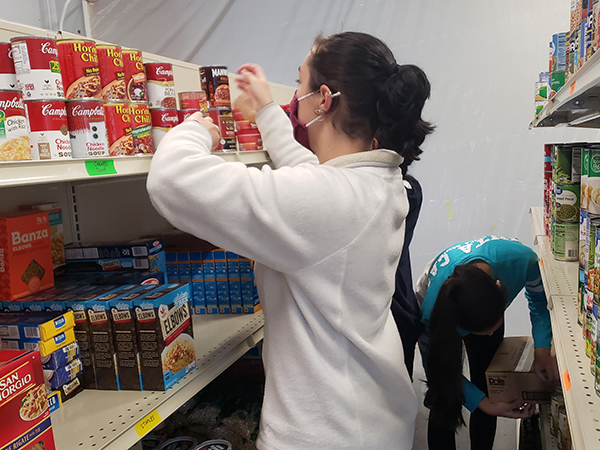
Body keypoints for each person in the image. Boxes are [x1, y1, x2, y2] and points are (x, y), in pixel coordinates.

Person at [147, 32, 433, 449]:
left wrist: (194, 130)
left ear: (323, 99)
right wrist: (265, 110)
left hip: (326, 433)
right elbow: (309, 175)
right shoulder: (379, 180)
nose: (292, 97)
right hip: (371, 415)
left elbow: (172, 181)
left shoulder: (330, 200)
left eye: (297, 83)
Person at [417, 235, 559, 450]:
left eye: (494, 326)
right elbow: (439, 371)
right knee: (443, 400)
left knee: (488, 384)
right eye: (481, 331)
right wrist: (483, 404)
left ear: (500, 287)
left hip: (477, 298)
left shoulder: (522, 260)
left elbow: (539, 301)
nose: (490, 334)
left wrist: (542, 351)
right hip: (442, 312)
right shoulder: (432, 314)